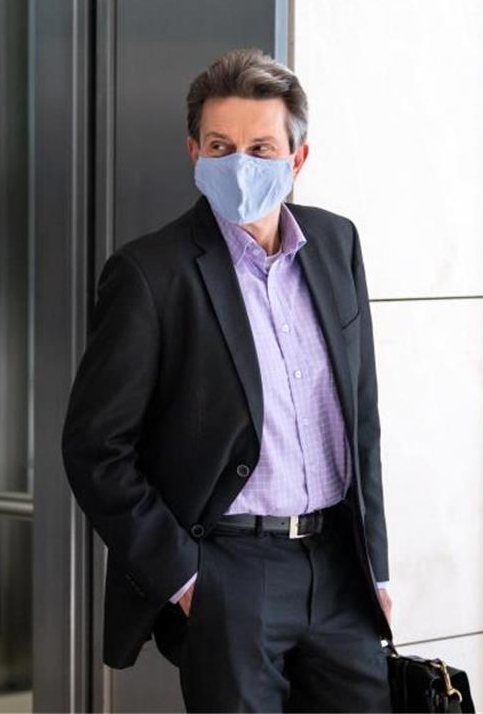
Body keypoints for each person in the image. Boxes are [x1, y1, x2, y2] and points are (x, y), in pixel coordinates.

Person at [63, 48, 393, 711]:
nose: (240, 164)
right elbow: (96, 448)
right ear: (194, 152)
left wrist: (375, 563)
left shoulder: (337, 245)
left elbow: (361, 417)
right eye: (221, 145)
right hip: (231, 573)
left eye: (261, 147)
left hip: (337, 567)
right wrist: (186, 577)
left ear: (297, 160)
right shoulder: (149, 274)